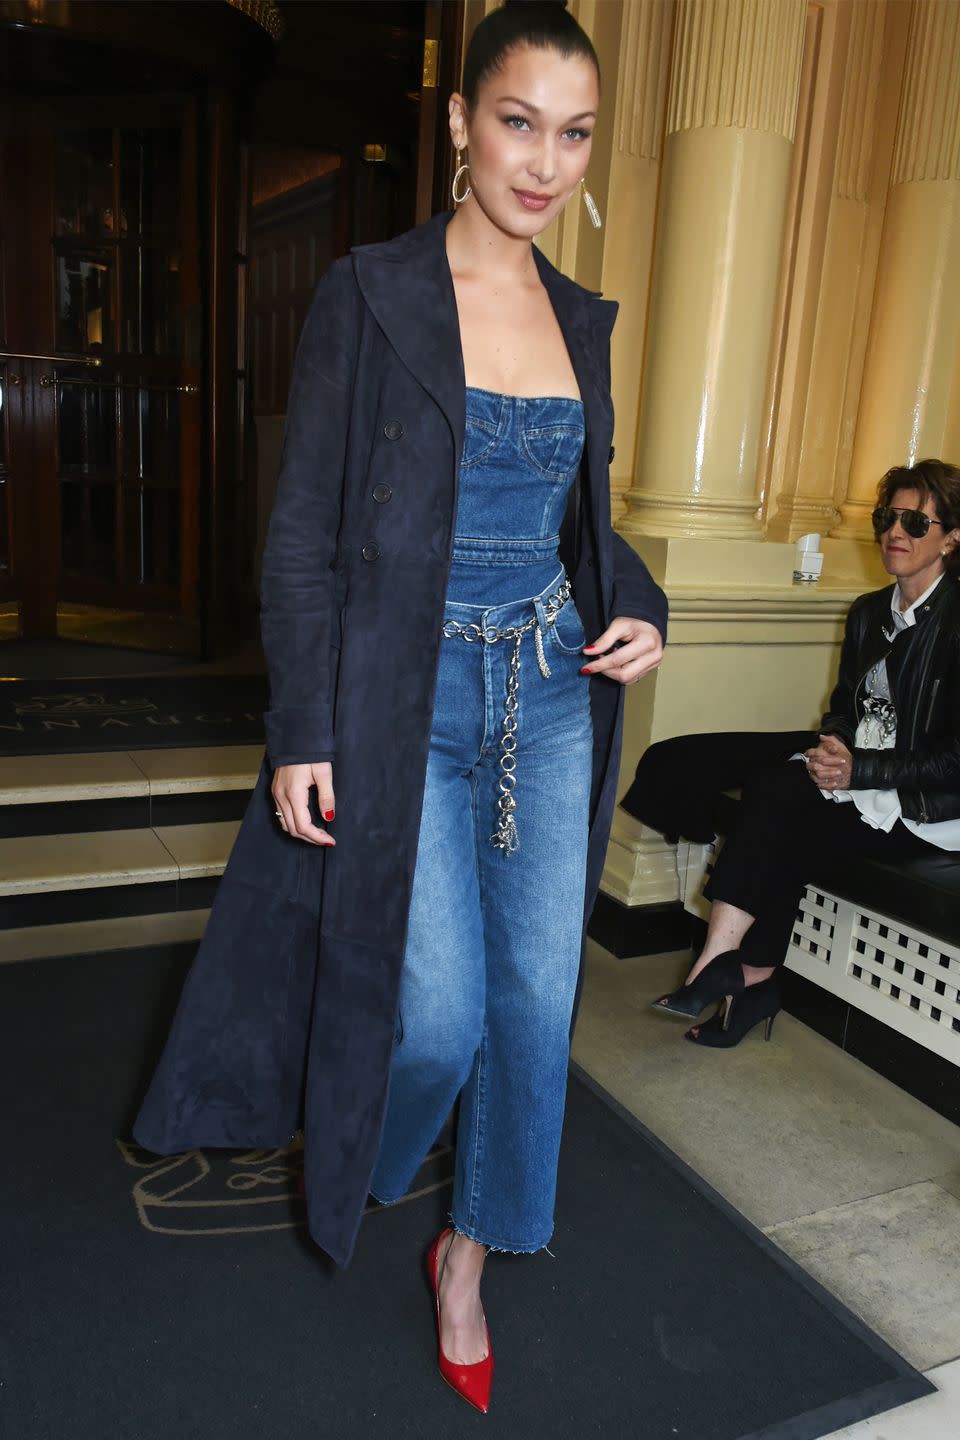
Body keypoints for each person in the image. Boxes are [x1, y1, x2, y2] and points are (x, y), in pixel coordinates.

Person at [134, 0, 667, 1415]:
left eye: (575, 134)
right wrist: (302, 726)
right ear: (457, 121)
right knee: (434, 1017)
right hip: (402, 693)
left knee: (532, 1003)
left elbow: (589, 527)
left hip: (550, 693)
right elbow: (303, 528)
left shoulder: (586, 320)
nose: (545, 163)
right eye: (517, 122)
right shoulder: (370, 294)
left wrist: (644, 606)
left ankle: (468, 1256)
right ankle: (360, 1137)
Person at [635, 458, 960, 1050]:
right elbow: (843, 707)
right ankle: (729, 965)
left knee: (783, 816)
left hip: (926, 806)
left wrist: (863, 768)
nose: (895, 532)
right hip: (863, 780)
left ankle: (742, 975)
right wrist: (837, 746)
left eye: (916, 522)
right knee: (773, 790)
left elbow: (956, 761)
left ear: (952, 537)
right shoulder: (867, 612)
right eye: (889, 517)